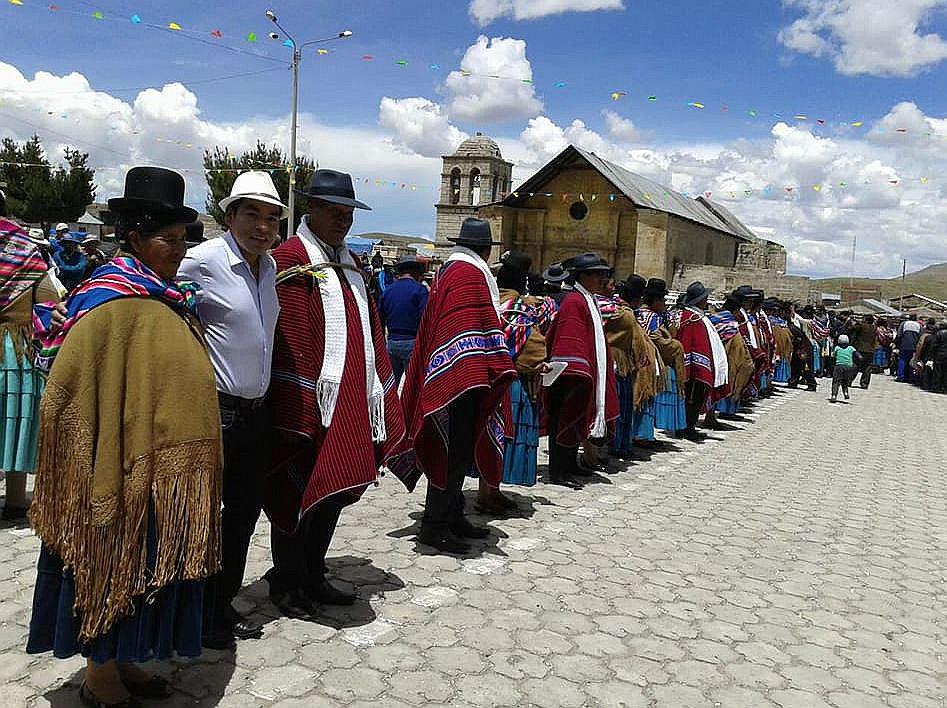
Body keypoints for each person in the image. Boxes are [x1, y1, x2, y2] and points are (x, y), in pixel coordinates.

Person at [27, 166, 223, 707]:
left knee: (146, 562)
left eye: (184, 240)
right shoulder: (108, 300)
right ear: (134, 236)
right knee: (111, 555)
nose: (180, 251)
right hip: (109, 463)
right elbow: (76, 386)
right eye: (170, 240)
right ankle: (99, 675)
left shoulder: (164, 296)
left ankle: (128, 659)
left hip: (160, 465)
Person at [264, 169, 405, 617]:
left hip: (349, 400)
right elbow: (290, 335)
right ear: (312, 210)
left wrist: (376, 386)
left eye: (347, 214)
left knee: (333, 489)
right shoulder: (289, 259)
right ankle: (286, 582)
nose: (342, 221)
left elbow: (370, 328)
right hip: (308, 400)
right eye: (333, 212)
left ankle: (313, 572)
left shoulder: (350, 265)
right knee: (297, 490)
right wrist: (302, 398)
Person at [176, 171, 286, 649]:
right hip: (215, 411)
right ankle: (190, 611)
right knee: (202, 514)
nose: (262, 226)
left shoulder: (270, 269)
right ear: (230, 215)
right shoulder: (201, 262)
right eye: (252, 214)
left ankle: (219, 605)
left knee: (242, 515)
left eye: (271, 218)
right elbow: (153, 296)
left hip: (257, 412)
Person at [391, 218, 515, 554]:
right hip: (460, 381)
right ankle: (435, 525)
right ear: (487, 250)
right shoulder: (469, 275)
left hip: (458, 375)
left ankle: (453, 513)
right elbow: (468, 329)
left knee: (456, 452)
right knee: (452, 453)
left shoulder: (452, 270)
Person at [0, 192, 60, 521]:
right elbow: (51, 296)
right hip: (18, 349)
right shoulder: (24, 247)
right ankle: (15, 500)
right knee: (15, 421)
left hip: (8, 346)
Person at [478, 250, 551, 514]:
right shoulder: (520, 308)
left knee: (487, 432)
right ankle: (490, 492)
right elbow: (532, 348)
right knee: (506, 433)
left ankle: (486, 489)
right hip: (514, 382)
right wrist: (540, 362)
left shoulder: (491, 301)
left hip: (488, 378)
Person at [544, 253, 619, 487]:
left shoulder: (587, 299)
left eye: (603, 274)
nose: (601, 278)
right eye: (597, 274)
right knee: (564, 420)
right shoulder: (575, 302)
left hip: (580, 373)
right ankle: (559, 471)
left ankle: (569, 464)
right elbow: (569, 340)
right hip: (569, 375)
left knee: (576, 420)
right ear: (582, 276)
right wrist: (578, 370)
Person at [675, 281, 729, 442]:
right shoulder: (692, 318)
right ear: (699, 300)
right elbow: (692, 344)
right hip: (693, 367)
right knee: (691, 398)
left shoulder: (697, 316)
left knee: (694, 398)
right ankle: (687, 428)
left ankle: (687, 426)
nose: (707, 300)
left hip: (697, 365)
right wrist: (699, 367)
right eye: (704, 297)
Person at [637, 278, 686, 440]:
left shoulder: (639, 314)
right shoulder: (654, 319)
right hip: (649, 363)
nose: (664, 304)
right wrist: (676, 345)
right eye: (662, 300)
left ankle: (641, 436)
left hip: (640, 362)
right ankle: (643, 437)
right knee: (646, 399)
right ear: (655, 301)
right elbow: (659, 341)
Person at [380, 255, 429, 387]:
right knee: (414, 387)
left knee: (390, 386)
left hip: (391, 343)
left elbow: (380, 320)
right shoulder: (420, 290)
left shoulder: (387, 291)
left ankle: (389, 408)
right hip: (412, 343)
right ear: (416, 272)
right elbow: (425, 319)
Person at [847, 314, 876, 389]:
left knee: (855, 365)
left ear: (866, 320)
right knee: (867, 367)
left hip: (860, 349)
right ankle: (864, 383)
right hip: (870, 350)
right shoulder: (874, 327)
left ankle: (848, 381)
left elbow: (850, 329)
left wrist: (853, 322)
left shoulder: (861, 325)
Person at [830, 334, 857, 403]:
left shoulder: (837, 348)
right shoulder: (851, 348)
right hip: (848, 367)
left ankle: (834, 395)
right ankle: (846, 393)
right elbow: (858, 355)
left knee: (836, 381)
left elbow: (833, 356)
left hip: (839, 366)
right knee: (845, 381)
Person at [895, 315, 921, 383]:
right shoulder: (918, 325)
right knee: (912, 361)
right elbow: (920, 336)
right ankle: (910, 378)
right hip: (914, 346)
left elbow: (899, 334)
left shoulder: (904, 323)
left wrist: (897, 344)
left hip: (904, 345)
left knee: (902, 360)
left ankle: (900, 377)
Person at [926, 322, 947, 393]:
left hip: (939, 355)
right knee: (945, 372)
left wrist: (931, 355)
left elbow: (934, 346)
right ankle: (944, 387)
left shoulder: (939, 333)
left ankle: (936, 387)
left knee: (937, 371)